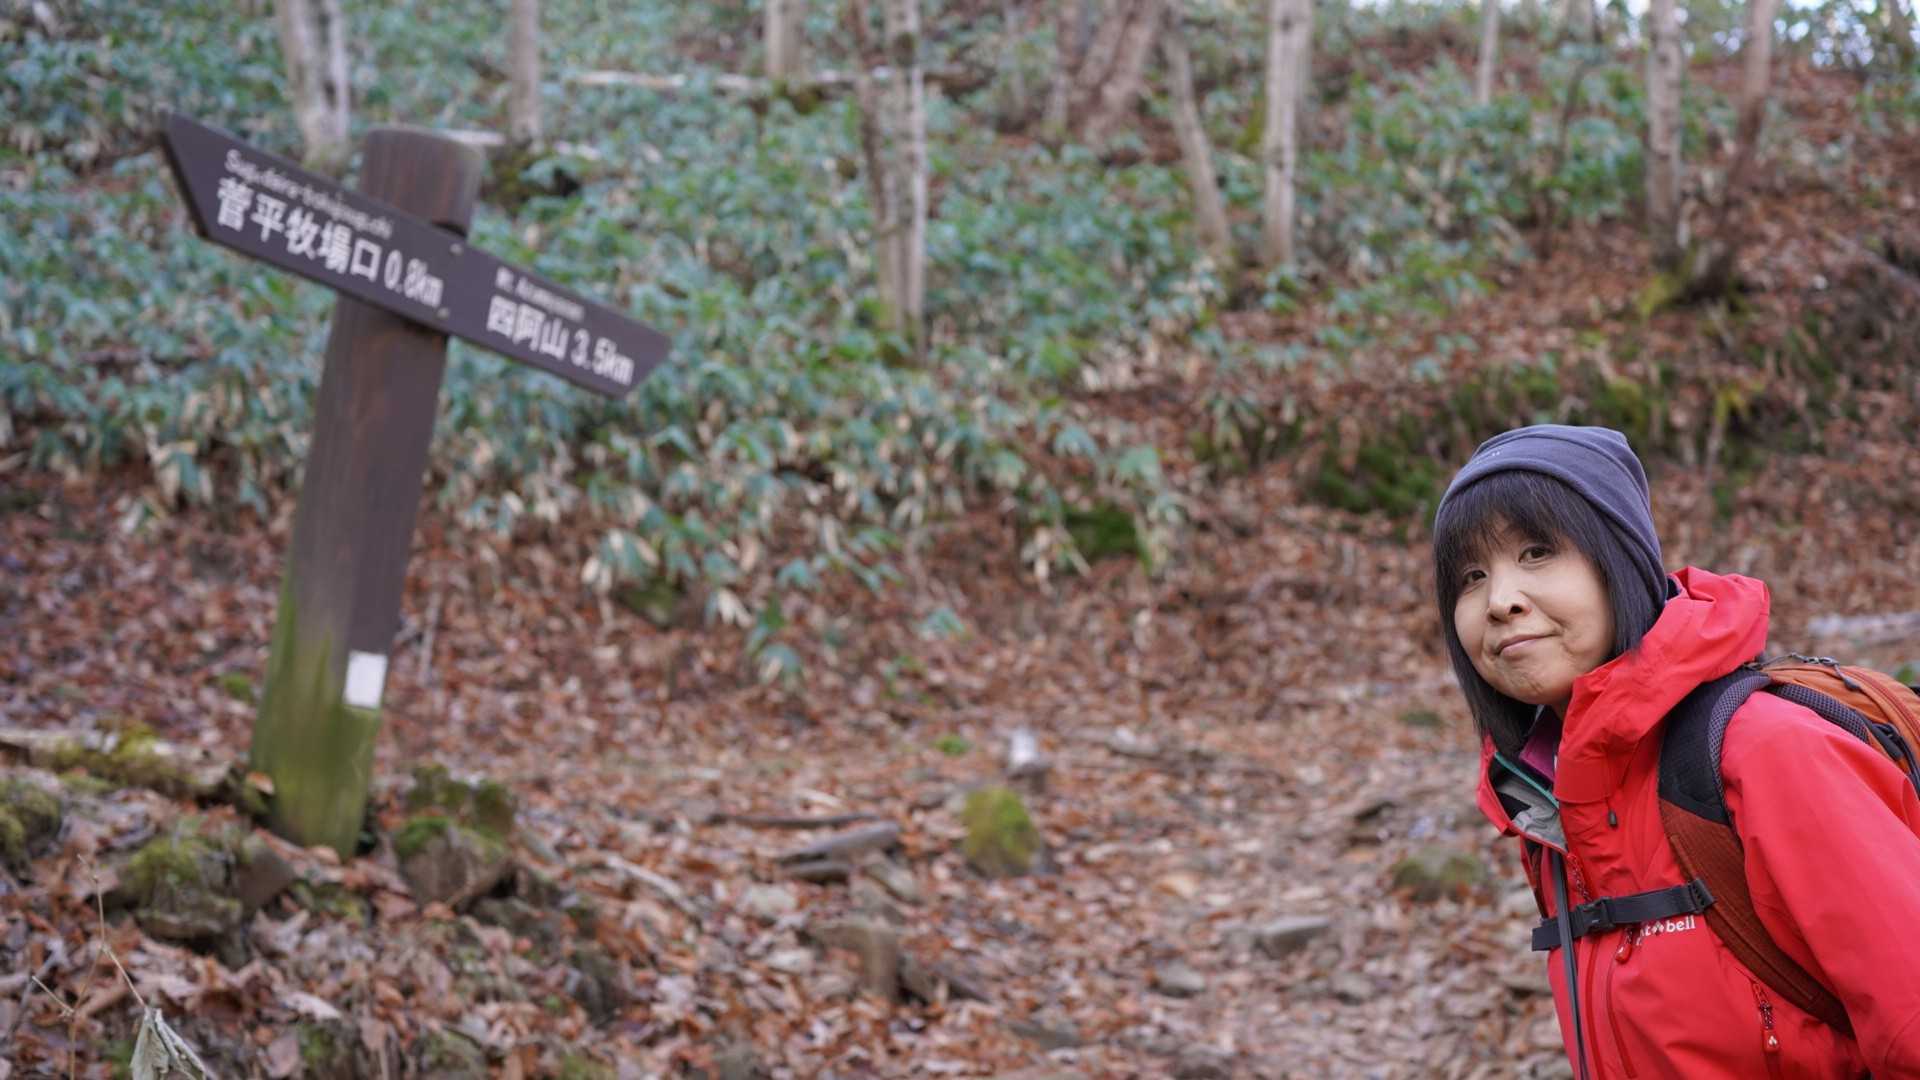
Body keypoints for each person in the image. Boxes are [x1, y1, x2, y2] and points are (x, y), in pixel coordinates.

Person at [1430, 424, 1920, 1079]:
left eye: (1537, 552)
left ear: (1619, 562)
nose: (1500, 601)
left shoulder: (1766, 751)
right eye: (1471, 576)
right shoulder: (1545, 800)